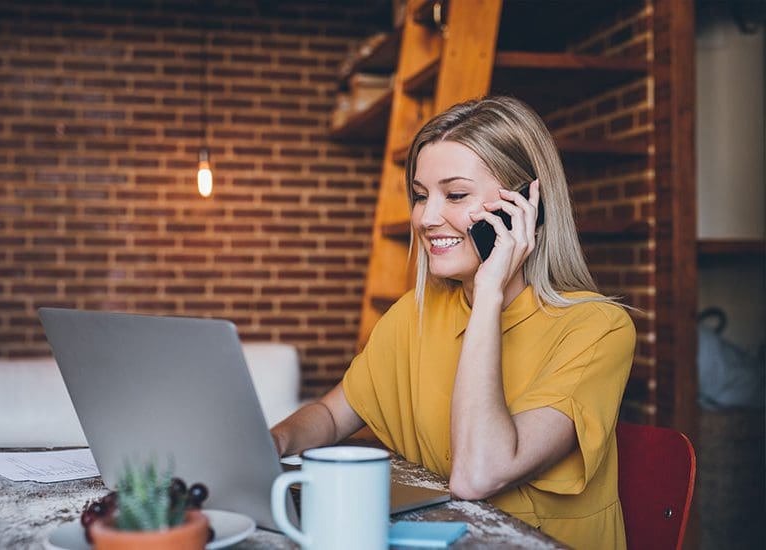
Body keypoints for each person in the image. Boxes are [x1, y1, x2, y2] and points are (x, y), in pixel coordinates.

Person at [271, 96, 635, 549]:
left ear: (527, 207)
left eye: (455, 195)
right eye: (421, 196)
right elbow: (329, 414)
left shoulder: (598, 328)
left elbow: (477, 475)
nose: (426, 218)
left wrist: (488, 292)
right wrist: (273, 441)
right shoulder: (413, 314)